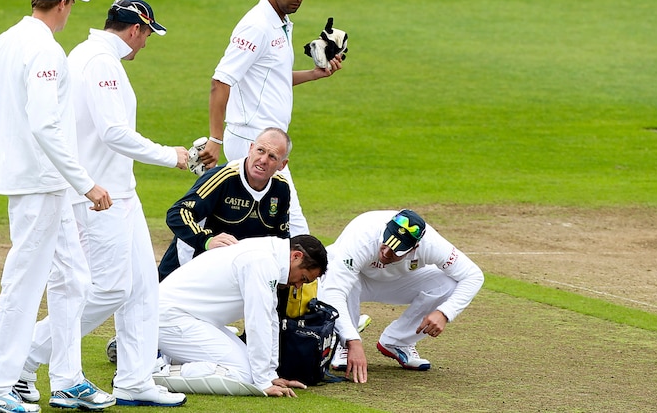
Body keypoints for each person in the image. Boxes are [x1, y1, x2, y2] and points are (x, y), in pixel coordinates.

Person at [18, 0, 188, 407]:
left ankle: (134, 379)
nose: (146, 45)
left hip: (118, 190)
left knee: (144, 289)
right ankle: (24, 357)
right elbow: (113, 132)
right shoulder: (100, 62)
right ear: (135, 30)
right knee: (111, 287)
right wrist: (172, 155)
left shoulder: (90, 54)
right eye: (147, 36)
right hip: (99, 196)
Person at [0, 0, 114, 413]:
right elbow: (44, 124)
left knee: (73, 279)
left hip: (41, 181)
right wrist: (85, 183)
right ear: (64, 4)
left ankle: (68, 381)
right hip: (42, 185)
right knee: (24, 285)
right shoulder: (45, 50)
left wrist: (20, 143)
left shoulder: (7, 39)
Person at [199, 0, 344, 237]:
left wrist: (315, 73)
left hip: (263, 140)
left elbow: (273, 78)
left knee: (257, 225)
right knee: (295, 229)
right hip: (254, 142)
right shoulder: (257, 26)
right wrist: (215, 139)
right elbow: (221, 81)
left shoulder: (282, 22)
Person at [317, 209, 485, 384]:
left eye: (397, 250)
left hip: (396, 282)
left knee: (448, 283)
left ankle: (398, 341)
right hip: (354, 278)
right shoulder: (362, 237)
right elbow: (334, 291)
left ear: (415, 248)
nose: (386, 253)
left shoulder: (432, 244)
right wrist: (353, 341)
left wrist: (445, 312)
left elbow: (473, 276)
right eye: (386, 243)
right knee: (339, 281)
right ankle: (344, 344)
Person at [155, 235, 328, 397]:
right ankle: (155, 372)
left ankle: (173, 359)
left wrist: (269, 374)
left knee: (252, 370)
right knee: (244, 374)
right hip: (170, 318)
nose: (298, 286)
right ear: (296, 256)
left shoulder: (269, 255)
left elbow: (270, 318)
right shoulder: (261, 260)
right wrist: (262, 382)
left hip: (189, 318)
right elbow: (257, 322)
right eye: (303, 278)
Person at [157, 127, 292, 281]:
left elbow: (281, 239)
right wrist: (207, 241)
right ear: (251, 149)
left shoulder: (281, 188)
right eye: (260, 151)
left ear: (283, 164)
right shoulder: (224, 177)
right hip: (188, 269)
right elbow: (178, 213)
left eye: (272, 156)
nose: (263, 160)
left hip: (234, 274)